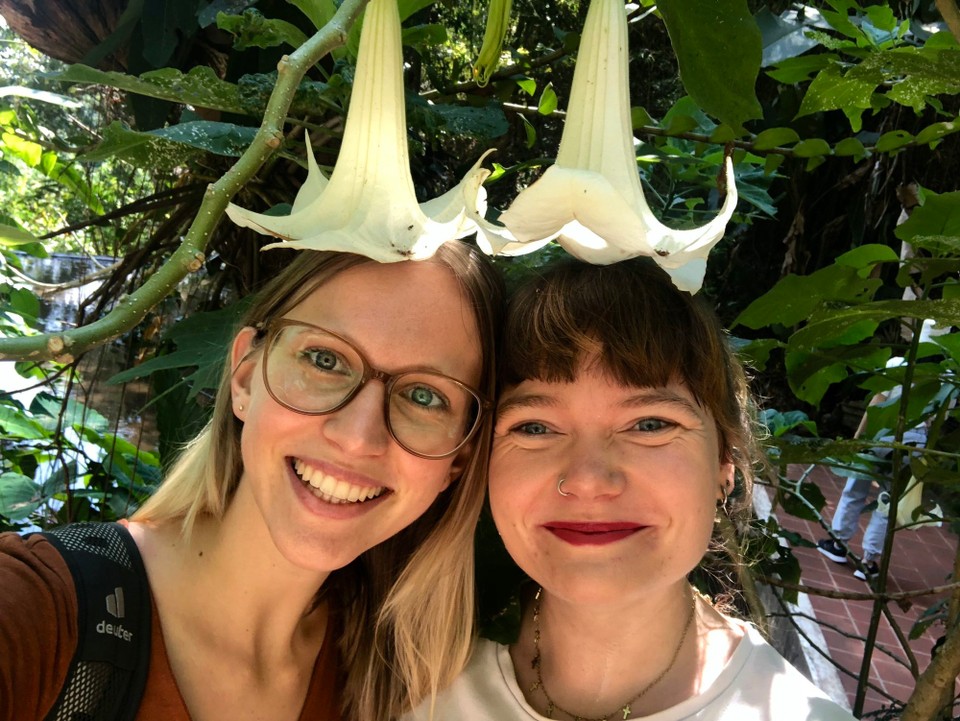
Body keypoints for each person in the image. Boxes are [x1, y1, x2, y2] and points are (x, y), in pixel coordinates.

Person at [0, 244, 503, 721]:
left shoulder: (402, 684)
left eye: (424, 396)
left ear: (458, 459)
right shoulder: (38, 608)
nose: (356, 438)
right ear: (244, 375)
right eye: (325, 360)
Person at [405, 257, 855, 721]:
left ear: (725, 462)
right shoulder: (407, 683)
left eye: (650, 424)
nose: (588, 480)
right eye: (534, 427)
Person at [817, 356, 928, 581]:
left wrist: (858, 436)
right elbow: (933, 420)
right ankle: (868, 562)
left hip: (883, 432)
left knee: (856, 488)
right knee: (888, 501)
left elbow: (878, 400)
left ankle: (838, 544)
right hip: (915, 440)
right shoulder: (945, 375)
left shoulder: (898, 363)